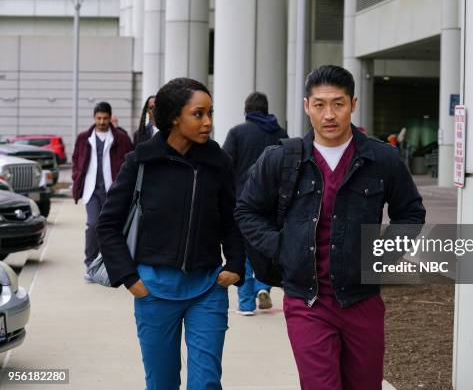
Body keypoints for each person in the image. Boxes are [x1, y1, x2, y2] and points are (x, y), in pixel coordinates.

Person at [235, 65, 426, 390]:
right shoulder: (282, 159)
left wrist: (381, 257)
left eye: (338, 103)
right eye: (320, 104)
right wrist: (283, 248)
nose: (329, 114)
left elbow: (410, 212)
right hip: (307, 301)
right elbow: (247, 209)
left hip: (361, 299)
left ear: (353, 103)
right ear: (307, 106)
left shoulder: (382, 159)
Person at [97, 78, 244, 389]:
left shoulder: (218, 162)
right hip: (153, 290)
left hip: (206, 290)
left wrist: (235, 266)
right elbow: (108, 225)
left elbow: (232, 219)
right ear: (175, 117)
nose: (208, 122)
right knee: (161, 383)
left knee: (206, 383)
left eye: (210, 113)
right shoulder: (141, 162)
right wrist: (130, 278)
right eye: (199, 114)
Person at [222, 91, 288, 316]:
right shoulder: (281, 133)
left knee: (245, 248)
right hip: (275, 203)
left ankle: (247, 303)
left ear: (246, 110)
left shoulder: (238, 133)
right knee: (267, 245)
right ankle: (263, 287)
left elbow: (225, 165)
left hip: (245, 199)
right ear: (266, 108)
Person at [71, 101, 133, 280]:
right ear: (94, 117)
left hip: (113, 191)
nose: (102, 121)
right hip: (92, 190)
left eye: (105, 118)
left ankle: (110, 264)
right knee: (93, 225)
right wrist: (76, 177)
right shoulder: (84, 138)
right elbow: (76, 159)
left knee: (113, 228)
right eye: (99, 118)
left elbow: (130, 161)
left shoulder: (121, 138)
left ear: (110, 118)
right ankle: (90, 264)